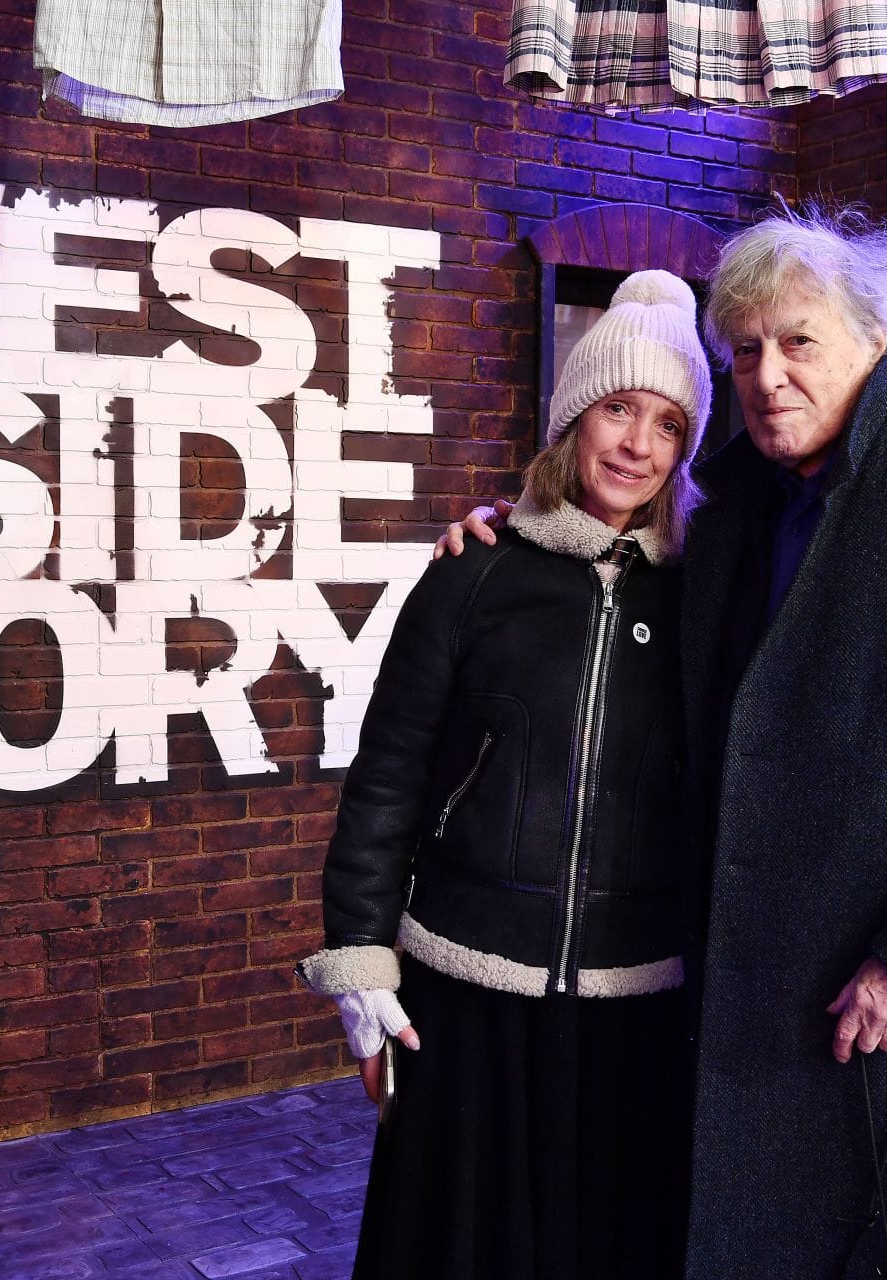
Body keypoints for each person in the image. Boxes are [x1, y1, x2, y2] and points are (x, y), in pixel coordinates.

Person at [444, 206, 887, 1279]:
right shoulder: (727, 517)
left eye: (798, 341)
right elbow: (609, 580)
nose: (767, 375)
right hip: (755, 1023)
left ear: (876, 337)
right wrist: (511, 539)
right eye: (746, 349)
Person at [299, 271, 712, 1280]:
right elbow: (388, 776)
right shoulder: (471, 570)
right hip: (467, 980)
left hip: (638, 994)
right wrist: (362, 971)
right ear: (574, 415)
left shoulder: (708, 594)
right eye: (618, 407)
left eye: (667, 423)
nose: (637, 443)